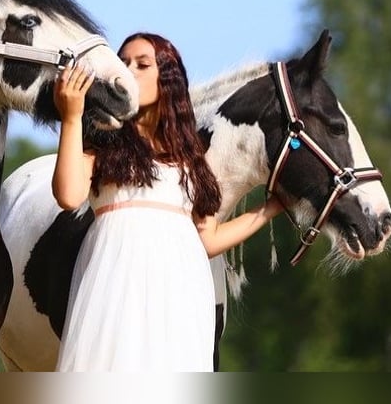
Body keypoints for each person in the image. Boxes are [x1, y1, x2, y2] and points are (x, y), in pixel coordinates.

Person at [51, 32, 284, 372]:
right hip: (116, 287)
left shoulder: (191, 160)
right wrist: (71, 118)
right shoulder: (103, 148)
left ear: (168, 79)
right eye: (124, 62)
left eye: (142, 64)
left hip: (180, 292)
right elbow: (68, 195)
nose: (129, 70)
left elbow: (208, 239)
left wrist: (270, 208)